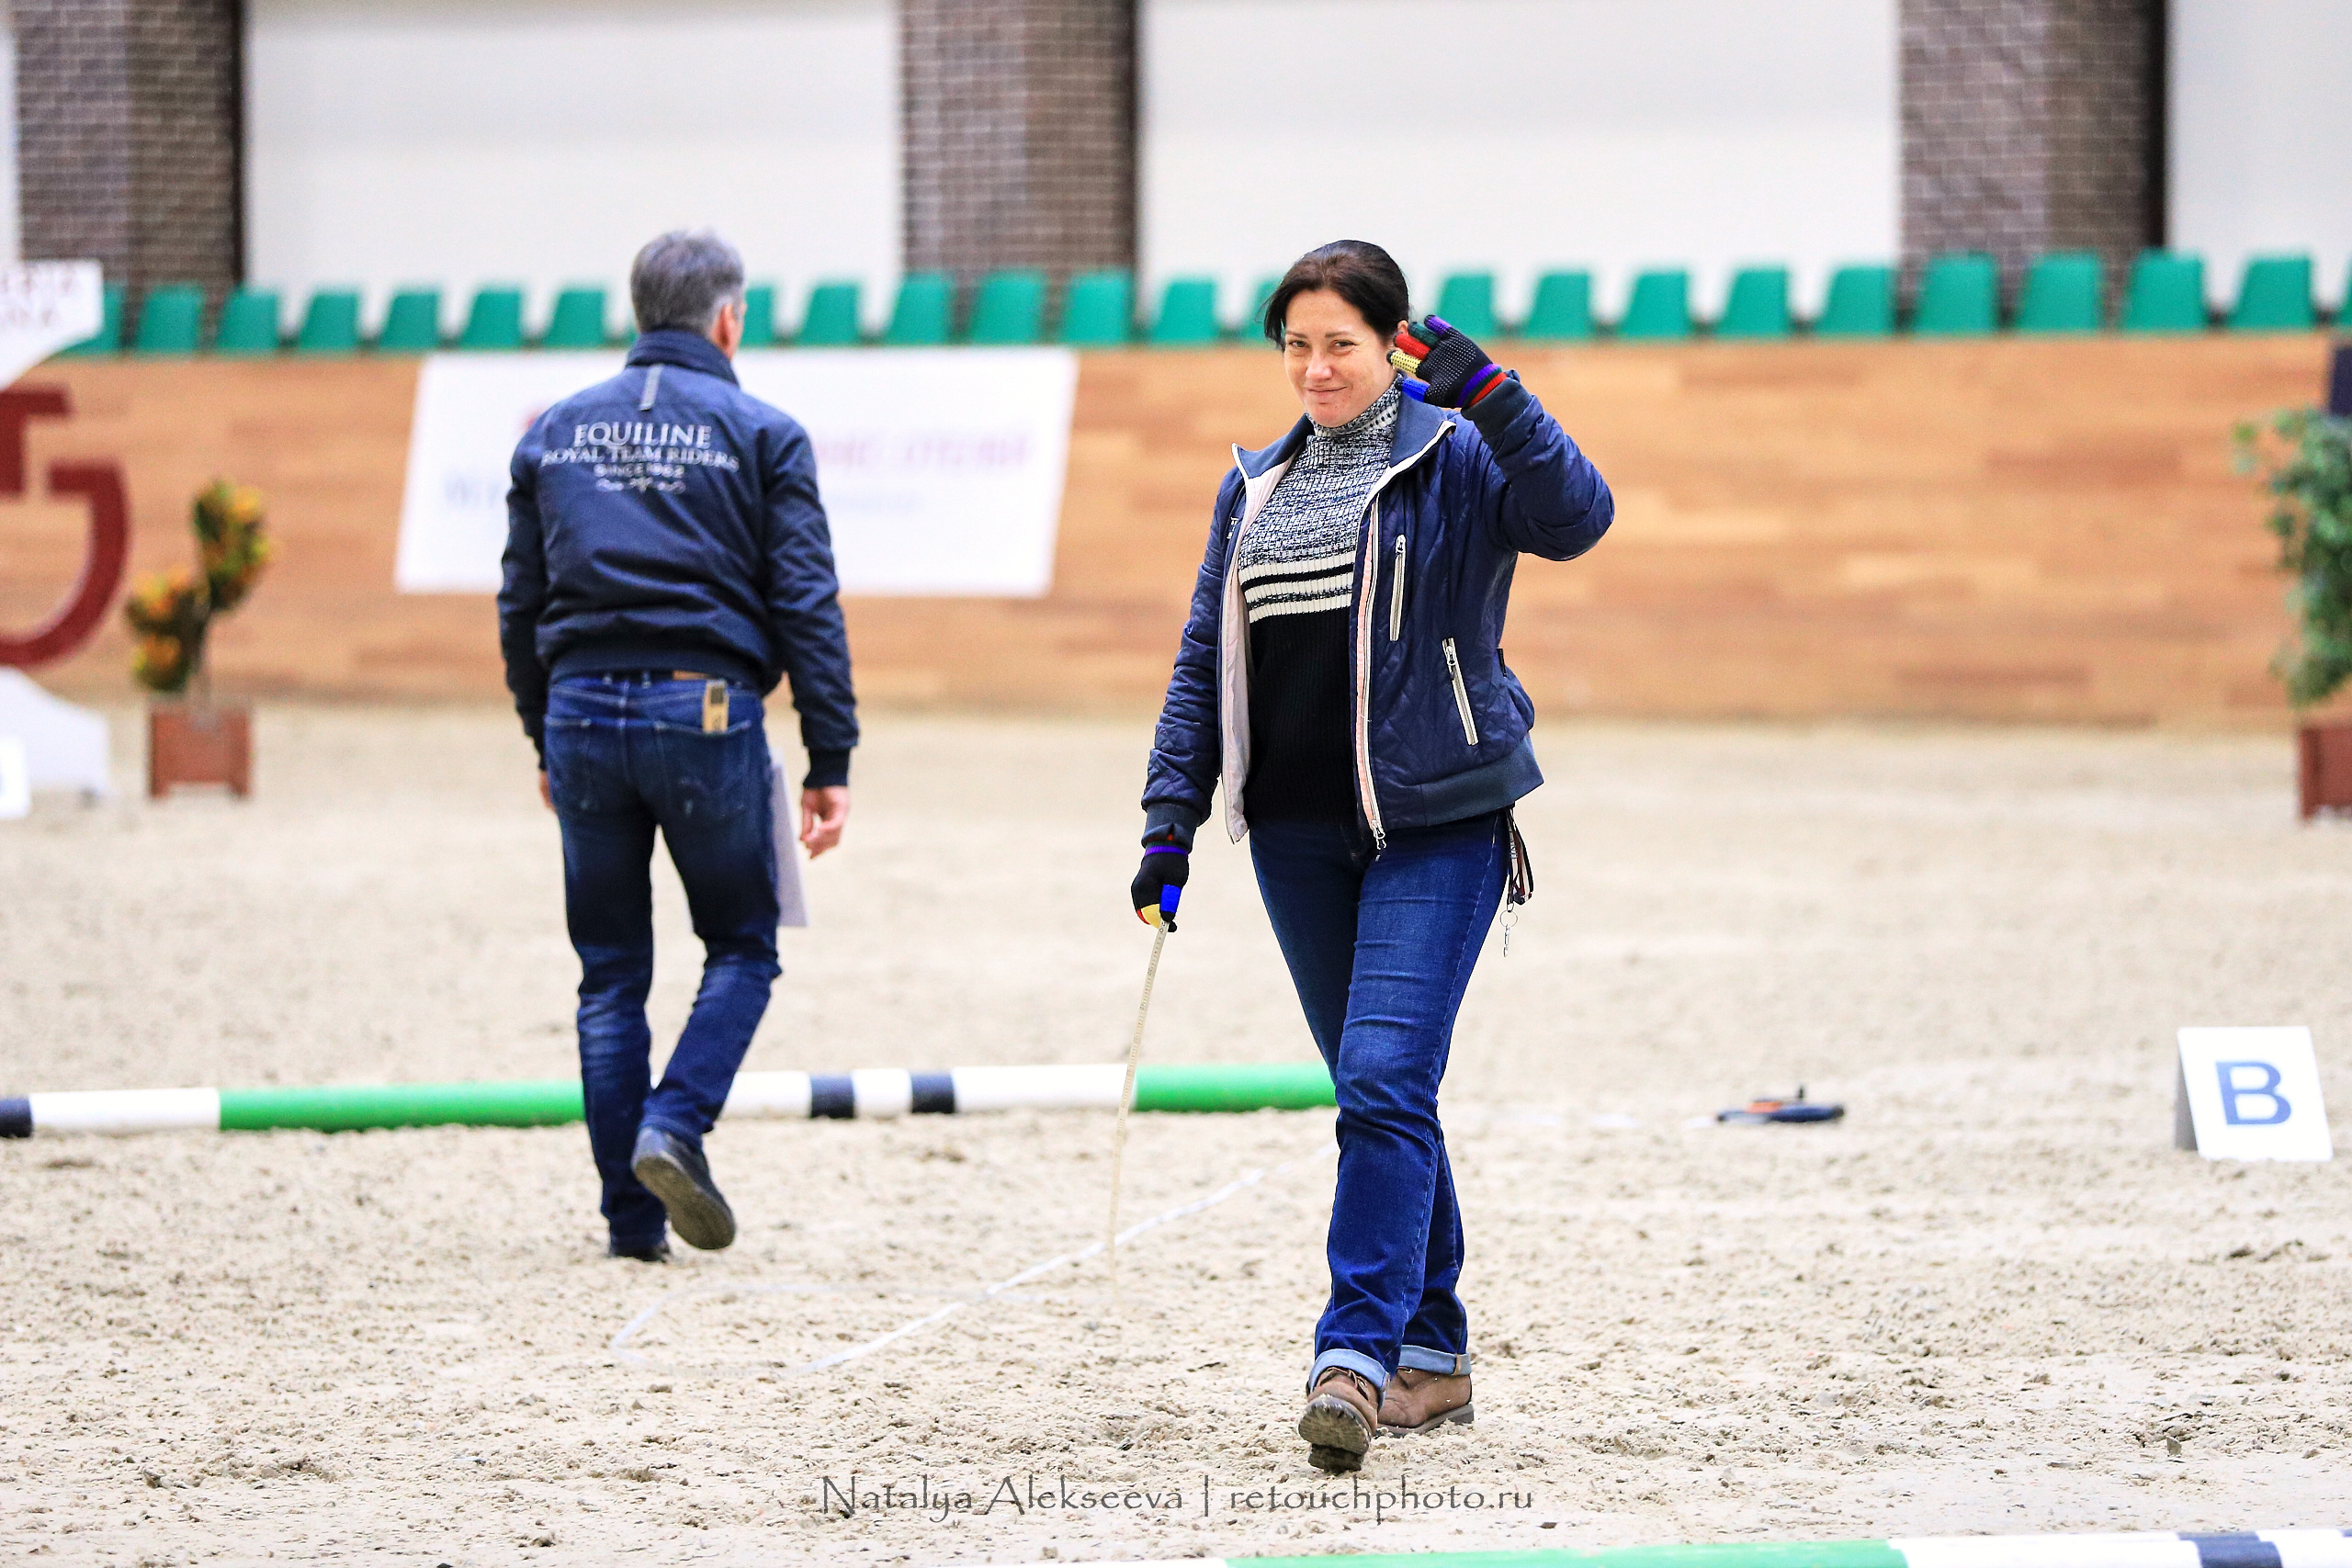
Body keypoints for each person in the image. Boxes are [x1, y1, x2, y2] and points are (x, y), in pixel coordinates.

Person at [1132, 241, 1612, 1472]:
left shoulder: (1454, 456)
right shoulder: (1250, 488)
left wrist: (1494, 395)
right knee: (1379, 1088)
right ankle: (1437, 1353)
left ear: (1392, 344)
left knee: (1387, 1074)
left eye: (1340, 342)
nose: (1316, 366)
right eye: (1296, 345)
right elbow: (1202, 662)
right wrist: (1167, 821)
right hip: (1294, 836)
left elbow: (1578, 517)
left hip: (1440, 820)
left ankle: (1353, 1353)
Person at [498, 229, 856, 1263]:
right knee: (742, 944)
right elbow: (806, 605)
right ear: (728, 318)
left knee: (609, 974)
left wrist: (541, 733)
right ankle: (677, 1124)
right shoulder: (764, 432)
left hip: (579, 713)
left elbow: (520, 603)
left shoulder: (553, 432)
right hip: (702, 709)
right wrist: (830, 757)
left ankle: (630, 1221)